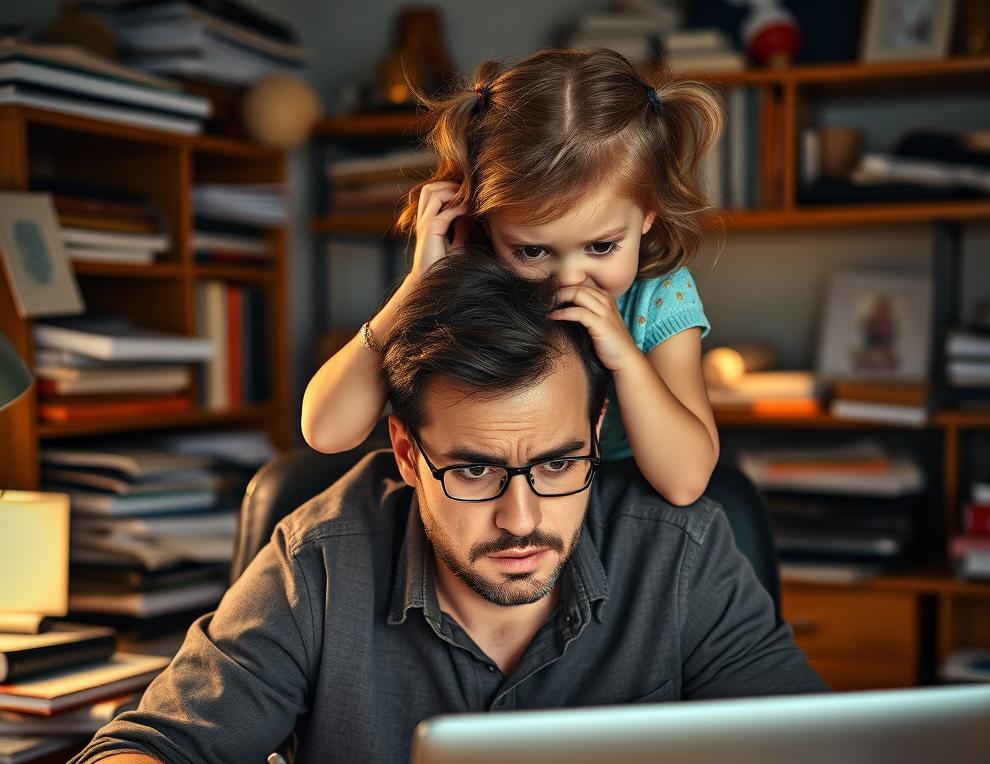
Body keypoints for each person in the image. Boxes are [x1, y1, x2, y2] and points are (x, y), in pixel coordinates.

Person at [57, 250, 823, 764]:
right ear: (404, 452)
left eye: (558, 463)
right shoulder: (324, 556)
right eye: (475, 469)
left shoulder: (679, 552)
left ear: (596, 435)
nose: (522, 518)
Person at [302, 48, 724, 507]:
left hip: (605, 505)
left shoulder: (657, 297)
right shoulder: (469, 286)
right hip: (484, 506)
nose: (568, 277)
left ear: (647, 215)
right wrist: (418, 288)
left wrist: (625, 357)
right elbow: (326, 432)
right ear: (483, 223)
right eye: (531, 250)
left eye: (601, 246)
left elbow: (685, 481)